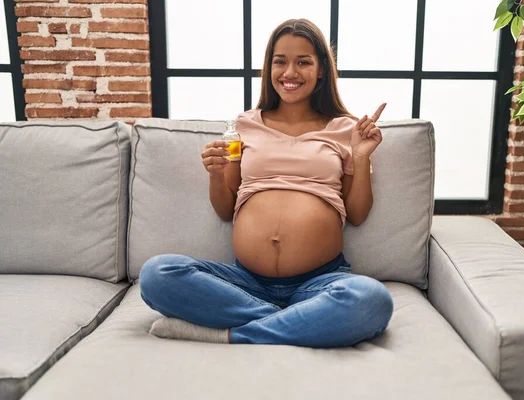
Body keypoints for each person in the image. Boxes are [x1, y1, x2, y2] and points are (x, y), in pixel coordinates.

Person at [139, 18, 393, 348]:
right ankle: (302, 320)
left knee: (372, 300)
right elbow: (226, 210)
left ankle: (232, 333)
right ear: (268, 68)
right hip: (244, 282)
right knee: (157, 275)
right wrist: (216, 175)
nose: (290, 73)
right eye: (280, 61)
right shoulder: (245, 125)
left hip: (319, 280)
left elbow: (357, 214)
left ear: (320, 71)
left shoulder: (345, 129)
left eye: (303, 62)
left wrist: (360, 157)